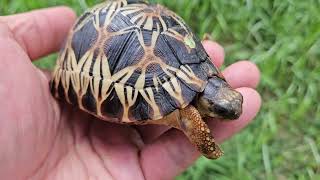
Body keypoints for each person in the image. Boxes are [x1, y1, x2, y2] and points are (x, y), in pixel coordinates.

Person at [0, 7, 261, 180]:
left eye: (227, 105)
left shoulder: (200, 77)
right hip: (96, 45)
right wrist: (207, 143)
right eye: (221, 109)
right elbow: (188, 114)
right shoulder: (188, 111)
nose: (227, 113)